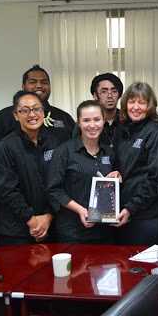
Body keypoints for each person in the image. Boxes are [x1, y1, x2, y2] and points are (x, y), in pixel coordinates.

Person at [0, 90, 61, 245]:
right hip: (16, 231)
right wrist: (31, 220)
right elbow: (6, 190)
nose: (32, 114)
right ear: (16, 115)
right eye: (25, 110)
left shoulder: (55, 143)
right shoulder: (5, 147)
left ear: (43, 112)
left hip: (51, 225)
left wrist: (48, 216)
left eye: (36, 109)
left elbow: (60, 182)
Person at [46, 100, 116, 244]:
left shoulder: (109, 152)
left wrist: (117, 177)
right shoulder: (64, 151)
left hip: (104, 232)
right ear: (78, 122)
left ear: (104, 121)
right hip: (72, 232)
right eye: (86, 120)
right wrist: (80, 210)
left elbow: (111, 185)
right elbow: (54, 190)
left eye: (97, 119)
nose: (92, 125)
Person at [112, 82, 158, 245]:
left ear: (149, 106)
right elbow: (120, 165)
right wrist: (115, 171)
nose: (135, 107)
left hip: (146, 217)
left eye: (141, 102)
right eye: (132, 102)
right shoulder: (122, 132)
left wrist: (131, 208)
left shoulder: (156, 135)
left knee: (146, 268)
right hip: (123, 214)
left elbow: (154, 179)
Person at [0, 65, 75, 142]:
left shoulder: (64, 118)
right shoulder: (2, 118)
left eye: (44, 82)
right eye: (33, 82)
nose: (39, 85)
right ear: (23, 86)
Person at [90, 73, 123, 148]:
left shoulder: (128, 120)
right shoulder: (87, 123)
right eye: (104, 92)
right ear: (95, 95)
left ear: (119, 95)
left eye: (114, 91)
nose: (110, 96)